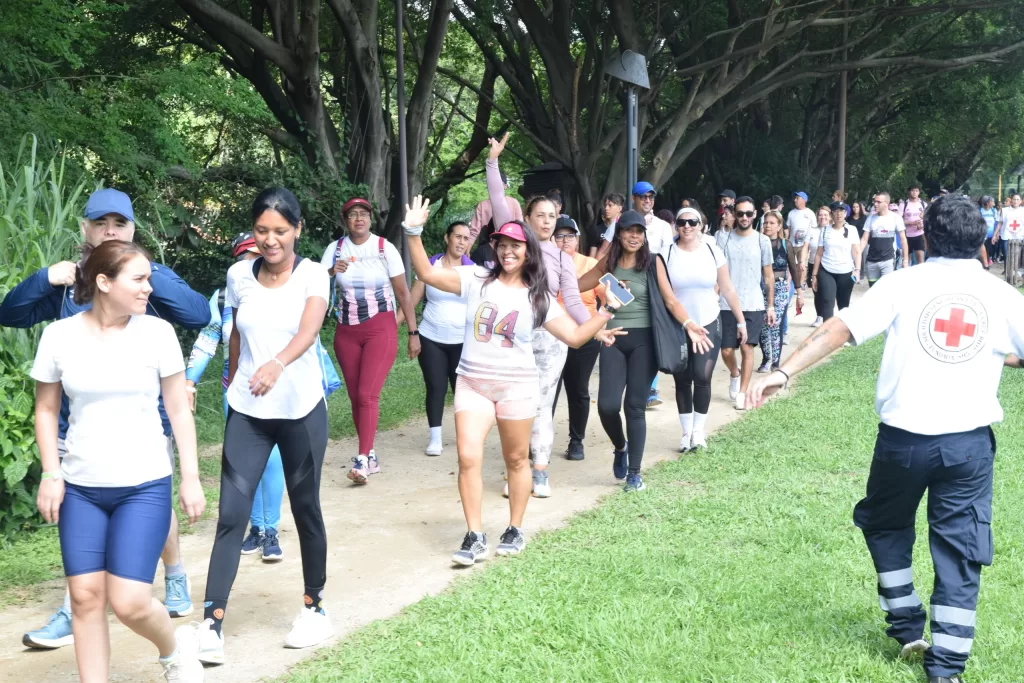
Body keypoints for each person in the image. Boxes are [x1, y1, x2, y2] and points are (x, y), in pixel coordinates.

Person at [747, 193, 1024, 683]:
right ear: (982, 238)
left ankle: (905, 626)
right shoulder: (1003, 296)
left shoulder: (902, 283)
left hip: (902, 442)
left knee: (885, 525)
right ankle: (948, 670)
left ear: (927, 233)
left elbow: (837, 331)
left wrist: (783, 373)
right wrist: (998, 354)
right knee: (960, 549)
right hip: (967, 446)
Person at [1, 188, 211, 649]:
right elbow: (9, 315)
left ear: (133, 229)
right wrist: (42, 278)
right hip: (77, 429)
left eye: (120, 223)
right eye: (101, 223)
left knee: (149, 500)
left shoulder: (143, 282)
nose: (110, 230)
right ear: (85, 229)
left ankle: (173, 575)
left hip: (146, 421)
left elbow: (199, 314)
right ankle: (74, 606)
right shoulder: (69, 285)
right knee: (88, 533)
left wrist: (142, 271)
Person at [402, 198, 621, 563]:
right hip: (473, 383)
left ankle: (515, 527)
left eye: (515, 246)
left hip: (517, 386)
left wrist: (607, 311)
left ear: (528, 252)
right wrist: (412, 232)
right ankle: (474, 534)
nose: (507, 251)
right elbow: (426, 273)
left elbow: (576, 336)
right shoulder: (475, 279)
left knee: (517, 460)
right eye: (502, 244)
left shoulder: (539, 297)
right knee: (468, 456)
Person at [194, 188, 333, 664]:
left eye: (280, 231)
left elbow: (309, 330)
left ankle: (314, 607)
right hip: (248, 413)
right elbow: (235, 330)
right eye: (261, 231)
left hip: (300, 411)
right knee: (231, 515)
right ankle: (211, 622)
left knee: (306, 509)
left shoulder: (314, 274)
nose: (270, 240)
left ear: (297, 230)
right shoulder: (238, 274)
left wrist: (276, 364)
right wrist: (232, 377)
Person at [486, 134, 612, 498]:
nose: (546, 221)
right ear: (526, 218)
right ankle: (516, 467)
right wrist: (493, 163)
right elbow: (497, 199)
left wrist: (593, 328)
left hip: (551, 336)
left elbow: (572, 300)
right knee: (514, 403)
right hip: (514, 335)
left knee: (542, 402)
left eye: (551, 216)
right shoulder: (517, 247)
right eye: (539, 215)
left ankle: (538, 468)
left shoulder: (562, 257)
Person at [578, 210, 712, 490]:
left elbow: (670, 300)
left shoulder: (652, 262)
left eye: (639, 232)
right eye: (628, 231)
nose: (634, 236)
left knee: (634, 407)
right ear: (620, 234)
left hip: (645, 341)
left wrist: (689, 323)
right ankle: (620, 447)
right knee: (607, 406)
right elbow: (579, 285)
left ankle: (635, 474)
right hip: (613, 338)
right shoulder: (609, 263)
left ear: (644, 236)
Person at [185, 233, 285, 561]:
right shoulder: (222, 298)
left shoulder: (281, 289)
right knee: (245, 463)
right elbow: (207, 340)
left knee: (271, 460)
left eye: (257, 254)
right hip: (237, 390)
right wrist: (188, 381)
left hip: (276, 389)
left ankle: (271, 529)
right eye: (246, 255)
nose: (252, 261)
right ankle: (255, 529)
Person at [321, 197, 420, 484]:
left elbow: (403, 293)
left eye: (363, 214)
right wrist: (330, 272)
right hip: (346, 330)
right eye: (353, 215)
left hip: (380, 327)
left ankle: (362, 459)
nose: (359, 219)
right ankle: (371, 454)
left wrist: (413, 333)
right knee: (356, 397)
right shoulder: (335, 249)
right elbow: (313, 283)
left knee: (367, 394)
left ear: (370, 219)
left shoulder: (383, 248)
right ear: (346, 220)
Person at [665, 207, 744, 451]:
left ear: (701, 225)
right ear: (676, 225)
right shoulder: (666, 252)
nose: (687, 226)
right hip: (677, 324)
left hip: (709, 320)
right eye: (682, 222)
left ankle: (699, 431)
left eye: (692, 222)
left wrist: (740, 320)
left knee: (702, 376)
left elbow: (728, 288)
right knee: (682, 379)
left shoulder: (712, 249)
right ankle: (686, 432)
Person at [404, 221, 474, 456]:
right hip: (431, 337)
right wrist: (401, 330)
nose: (461, 242)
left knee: (462, 391)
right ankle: (435, 439)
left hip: (462, 341)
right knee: (435, 387)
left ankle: (465, 437)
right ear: (447, 238)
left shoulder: (473, 270)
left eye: (466, 238)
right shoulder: (430, 266)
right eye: (458, 237)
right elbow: (412, 300)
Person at [551, 217, 606, 461]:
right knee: (547, 389)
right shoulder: (542, 263)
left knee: (578, 389)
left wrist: (601, 324)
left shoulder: (589, 264)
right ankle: (539, 440)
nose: (565, 241)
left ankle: (576, 441)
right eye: (560, 236)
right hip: (551, 335)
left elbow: (611, 294)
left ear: (578, 239)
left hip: (585, 335)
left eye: (570, 236)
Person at [715, 196, 774, 411]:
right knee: (727, 351)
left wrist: (770, 305)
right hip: (727, 304)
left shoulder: (762, 241)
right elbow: (717, 274)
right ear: (734, 215)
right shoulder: (724, 239)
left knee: (747, 348)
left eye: (749, 213)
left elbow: (768, 276)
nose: (745, 217)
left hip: (754, 302)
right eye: (740, 214)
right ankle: (734, 373)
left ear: (755, 214)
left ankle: (742, 392)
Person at [757, 211, 800, 373]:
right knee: (762, 325)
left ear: (779, 226)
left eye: (772, 223)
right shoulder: (758, 243)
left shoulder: (785, 244)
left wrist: (799, 291)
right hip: (761, 288)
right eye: (766, 222)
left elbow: (793, 268)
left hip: (781, 287)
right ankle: (766, 358)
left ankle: (775, 361)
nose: (768, 225)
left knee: (774, 324)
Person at [812, 202, 862, 321]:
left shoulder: (852, 229)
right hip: (827, 269)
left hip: (846, 270)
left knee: (843, 305)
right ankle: (827, 332)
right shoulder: (825, 230)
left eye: (842, 211)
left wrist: (857, 270)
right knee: (827, 301)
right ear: (832, 214)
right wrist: (814, 275)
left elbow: (857, 252)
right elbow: (819, 253)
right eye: (836, 211)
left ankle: (842, 334)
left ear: (845, 214)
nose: (839, 214)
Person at [860, 192, 908, 287]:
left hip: (888, 260)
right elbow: (864, 240)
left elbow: (903, 239)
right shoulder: (870, 218)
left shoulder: (896, 218)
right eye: (874, 201)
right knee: (873, 290)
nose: (875, 204)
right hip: (871, 260)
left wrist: (905, 260)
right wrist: (856, 257)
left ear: (887, 203)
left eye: (878, 202)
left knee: (885, 290)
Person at [995, 191, 1024, 286]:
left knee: (1017, 257)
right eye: (1014, 199)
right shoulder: (1005, 210)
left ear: (1021, 201)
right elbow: (1000, 223)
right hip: (1006, 236)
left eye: (1017, 199)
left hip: (1019, 237)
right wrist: (996, 234)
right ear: (1011, 200)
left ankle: (1015, 277)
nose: (1015, 201)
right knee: (1007, 257)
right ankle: (1007, 277)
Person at [586, 193, 624, 258]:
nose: (606, 208)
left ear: (619, 208)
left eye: (610, 205)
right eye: (605, 205)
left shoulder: (625, 229)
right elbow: (592, 258)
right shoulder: (596, 230)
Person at [899, 185, 928, 265]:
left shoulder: (923, 204)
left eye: (916, 191)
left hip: (920, 235)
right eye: (912, 190)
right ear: (909, 192)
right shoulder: (903, 204)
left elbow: (927, 218)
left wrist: (922, 225)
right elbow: (898, 220)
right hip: (907, 236)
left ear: (919, 192)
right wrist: (912, 223)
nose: (914, 193)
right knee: (906, 261)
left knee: (921, 261)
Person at [980, 196, 999, 266]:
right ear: (988, 203)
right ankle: (986, 261)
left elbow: (996, 223)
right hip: (983, 234)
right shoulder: (980, 210)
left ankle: (988, 259)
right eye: (993, 201)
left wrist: (996, 234)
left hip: (992, 234)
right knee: (983, 247)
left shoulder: (994, 211)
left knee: (990, 248)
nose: (994, 203)